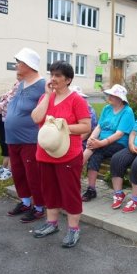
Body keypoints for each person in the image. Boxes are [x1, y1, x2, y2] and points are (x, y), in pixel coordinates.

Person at [31, 61, 91, 248]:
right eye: (52, 75)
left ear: (68, 79)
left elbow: (86, 126)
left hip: (68, 154)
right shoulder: (45, 97)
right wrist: (48, 97)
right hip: (46, 152)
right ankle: (52, 223)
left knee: (70, 192)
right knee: (49, 190)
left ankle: (73, 229)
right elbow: (36, 118)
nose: (53, 79)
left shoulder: (77, 100)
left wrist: (62, 126)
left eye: (58, 76)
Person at [4, 48, 46, 223]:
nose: (16, 65)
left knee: (33, 175)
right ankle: (25, 202)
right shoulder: (22, 83)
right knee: (18, 172)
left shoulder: (43, 84)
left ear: (28, 65)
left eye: (18, 62)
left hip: (30, 138)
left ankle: (39, 207)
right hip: (13, 138)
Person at [81, 84, 135, 202]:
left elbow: (119, 134)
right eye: (109, 94)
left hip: (118, 143)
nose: (109, 97)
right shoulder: (107, 109)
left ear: (120, 98)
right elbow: (99, 127)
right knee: (95, 154)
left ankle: (76, 169)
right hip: (101, 142)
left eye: (113, 95)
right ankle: (91, 189)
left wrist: (100, 143)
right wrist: (92, 139)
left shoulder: (127, 111)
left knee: (94, 149)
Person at [0, 81, 19, 181]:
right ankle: (4, 166)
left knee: (10, 143)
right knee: (3, 142)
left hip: (10, 119)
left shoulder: (26, 85)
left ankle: (9, 169)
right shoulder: (17, 83)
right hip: (2, 117)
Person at [71, 85, 97, 150]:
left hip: (82, 141)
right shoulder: (68, 107)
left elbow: (87, 133)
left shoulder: (89, 111)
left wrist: (72, 142)